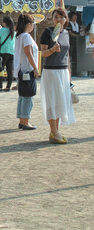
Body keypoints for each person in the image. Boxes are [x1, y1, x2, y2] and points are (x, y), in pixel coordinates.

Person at [39, 8, 75, 144]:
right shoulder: (47, 33)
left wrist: (69, 75)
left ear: (66, 19)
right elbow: (42, 53)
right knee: (52, 102)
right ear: (52, 19)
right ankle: (54, 132)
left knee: (60, 103)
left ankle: (55, 132)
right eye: (56, 17)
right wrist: (52, 49)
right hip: (51, 71)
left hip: (63, 72)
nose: (58, 20)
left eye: (61, 17)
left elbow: (67, 56)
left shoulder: (66, 34)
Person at [13, 14, 39, 131]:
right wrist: (35, 68)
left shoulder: (18, 36)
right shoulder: (26, 36)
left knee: (22, 96)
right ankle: (25, 121)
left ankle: (22, 120)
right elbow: (28, 53)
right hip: (27, 69)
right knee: (28, 96)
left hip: (20, 69)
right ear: (28, 24)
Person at [0, 16, 15, 92]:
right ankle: (8, 86)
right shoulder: (13, 31)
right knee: (10, 70)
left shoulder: (2, 30)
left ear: (4, 23)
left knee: (0, 68)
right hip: (12, 52)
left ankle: (0, 86)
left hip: (3, 51)